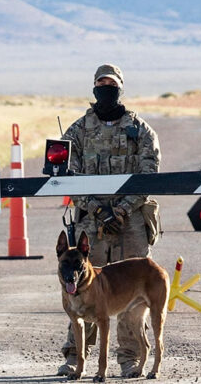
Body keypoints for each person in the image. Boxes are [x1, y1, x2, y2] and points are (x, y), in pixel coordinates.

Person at [57, 64, 161, 378]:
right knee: (80, 291)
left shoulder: (140, 130)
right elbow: (66, 175)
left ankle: (129, 358)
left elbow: (149, 175)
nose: (106, 88)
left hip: (129, 223)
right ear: (93, 87)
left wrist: (121, 211)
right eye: (101, 83)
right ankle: (76, 356)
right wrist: (97, 210)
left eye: (111, 83)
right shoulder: (78, 131)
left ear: (120, 88)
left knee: (132, 295)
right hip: (92, 223)